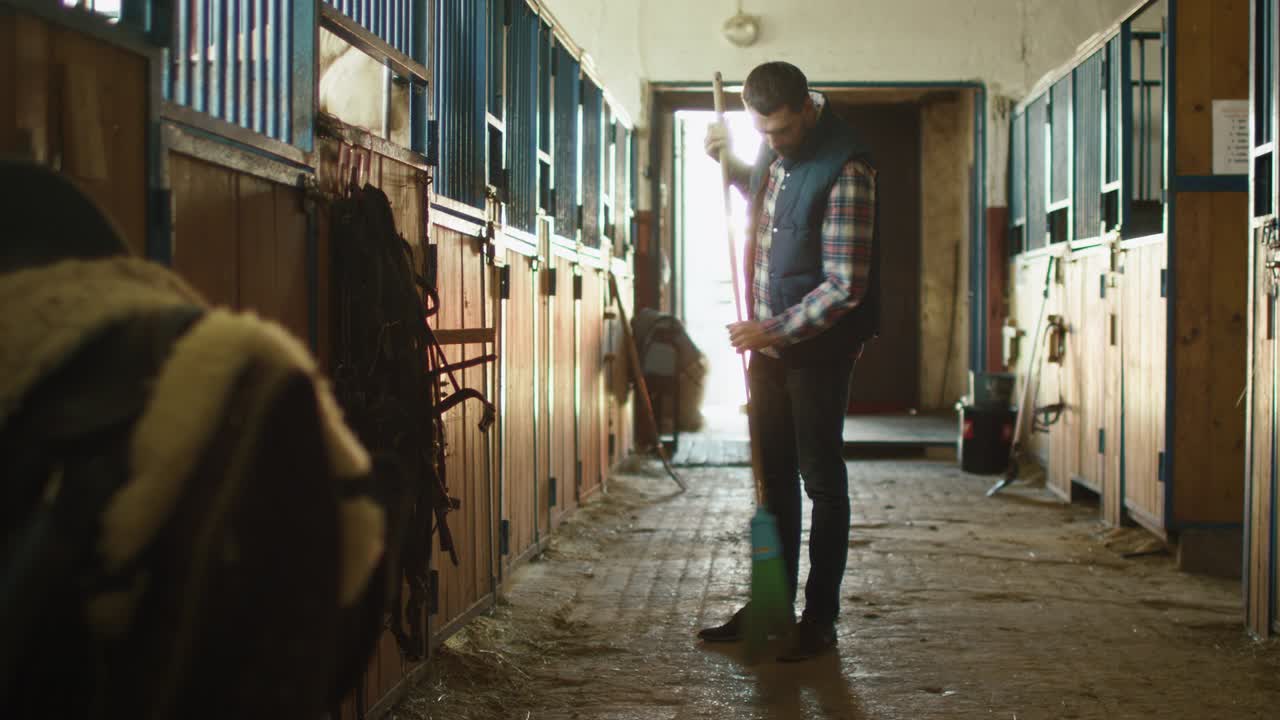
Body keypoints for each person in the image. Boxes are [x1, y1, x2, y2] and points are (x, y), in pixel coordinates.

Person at [697, 61, 880, 662]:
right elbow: (776, 210)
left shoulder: (847, 166)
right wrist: (731, 168)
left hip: (818, 349)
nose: (772, 144)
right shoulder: (779, 152)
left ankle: (819, 618)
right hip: (769, 346)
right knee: (771, 477)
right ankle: (770, 605)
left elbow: (844, 285)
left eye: (780, 132)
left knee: (820, 480)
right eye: (762, 134)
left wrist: (769, 328)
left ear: (807, 108)